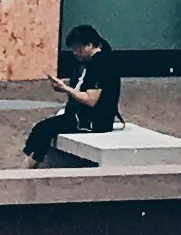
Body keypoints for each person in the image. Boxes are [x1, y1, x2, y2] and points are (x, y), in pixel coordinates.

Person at [22, 23, 124, 170]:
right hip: (86, 117)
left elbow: (90, 100)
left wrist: (65, 88)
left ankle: (30, 164)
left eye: (77, 48)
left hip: (92, 121)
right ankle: (31, 161)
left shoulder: (100, 65)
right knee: (42, 128)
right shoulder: (96, 62)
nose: (75, 52)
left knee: (44, 129)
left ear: (88, 45)